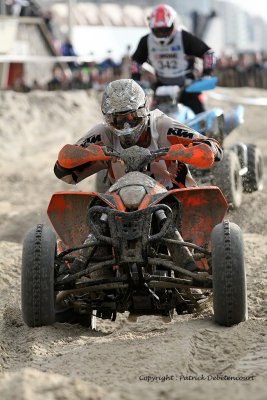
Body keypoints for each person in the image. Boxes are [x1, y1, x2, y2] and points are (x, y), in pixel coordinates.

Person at [54, 79, 222, 191]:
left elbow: (214, 149)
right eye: (118, 119)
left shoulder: (162, 125)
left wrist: (182, 151)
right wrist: (88, 153)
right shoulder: (103, 133)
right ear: (107, 118)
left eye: (131, 117)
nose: (126, 125)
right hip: (123, 203)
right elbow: (62, 171)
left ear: (143, 110)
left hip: (173, 196)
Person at [131, 4, 216, 114]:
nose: (161, 34)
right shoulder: (146, 41)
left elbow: (208, 53)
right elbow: (135, 61)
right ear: (150, 26)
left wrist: (206, 75)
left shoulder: (184, 37)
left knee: (202, 118)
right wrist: (136, 79)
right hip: (161, 88)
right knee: (152, 121)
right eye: (158, 30)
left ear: (173, 24)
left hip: (188, 87)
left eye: (164, 29)